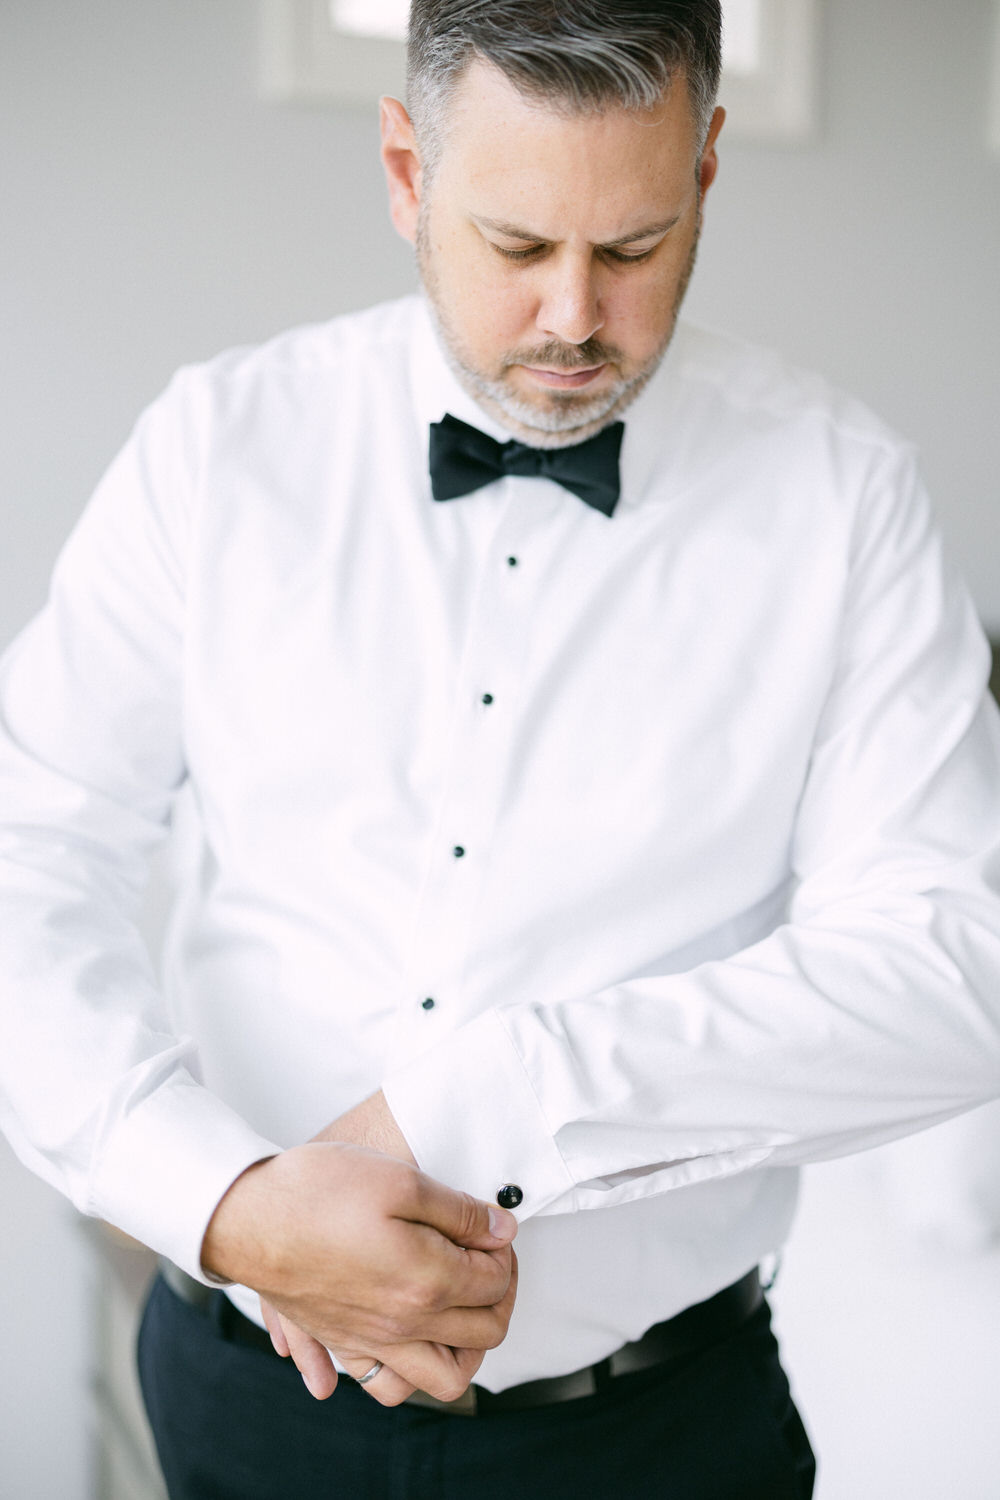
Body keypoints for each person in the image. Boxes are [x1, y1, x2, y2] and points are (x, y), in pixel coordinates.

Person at [2, 1, 1000, 1495]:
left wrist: (499, 1094)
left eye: (637, 246)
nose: (575, 320)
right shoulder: (220, 447)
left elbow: (952, 967)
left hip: (658, 1433)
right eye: (518, 247)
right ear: (406, 168)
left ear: (711, 169)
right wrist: (217, 1198)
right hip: (242, 1401)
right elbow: (30, 842)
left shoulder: (844, 501)